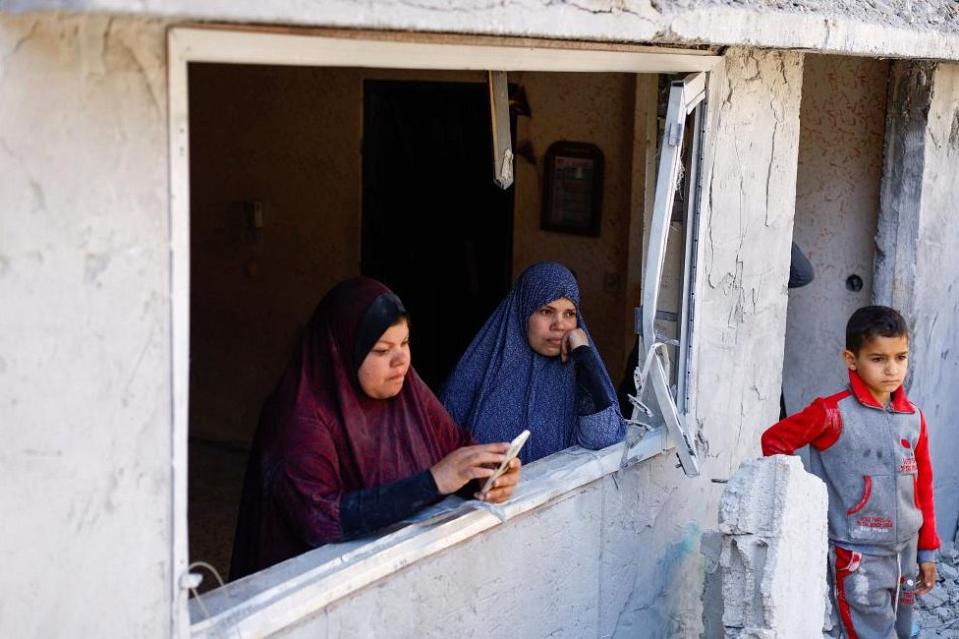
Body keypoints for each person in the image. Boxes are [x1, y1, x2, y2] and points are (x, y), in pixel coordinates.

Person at [230, 278, 521, 579]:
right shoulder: (297, 418)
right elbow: (321, 520)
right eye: (382, 351)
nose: (401, 360)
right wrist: (432, 482)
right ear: (341, 353)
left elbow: (455, 447)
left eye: (405, 343)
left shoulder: (405, 390)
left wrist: (488, 476)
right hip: (307, 594)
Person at [761, 306, 939, 638]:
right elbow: (774, 441)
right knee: (869, 632)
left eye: (900, 357)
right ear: (851, 359)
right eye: (878, 358)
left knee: (903, 628)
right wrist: (807, 509)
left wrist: (927, 553)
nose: (892, 369)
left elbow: (923, 488)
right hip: (859, 554)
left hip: (907, 552)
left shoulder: (913, 417)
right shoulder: (830, 413)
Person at [440, 261, 625, 464]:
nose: (560, 325)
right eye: (546, 311)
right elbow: (440, 449)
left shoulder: (579, 373)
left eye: (569, 314)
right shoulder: (480, 370)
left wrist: (583, 353)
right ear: (522, 312)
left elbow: (604, 437)